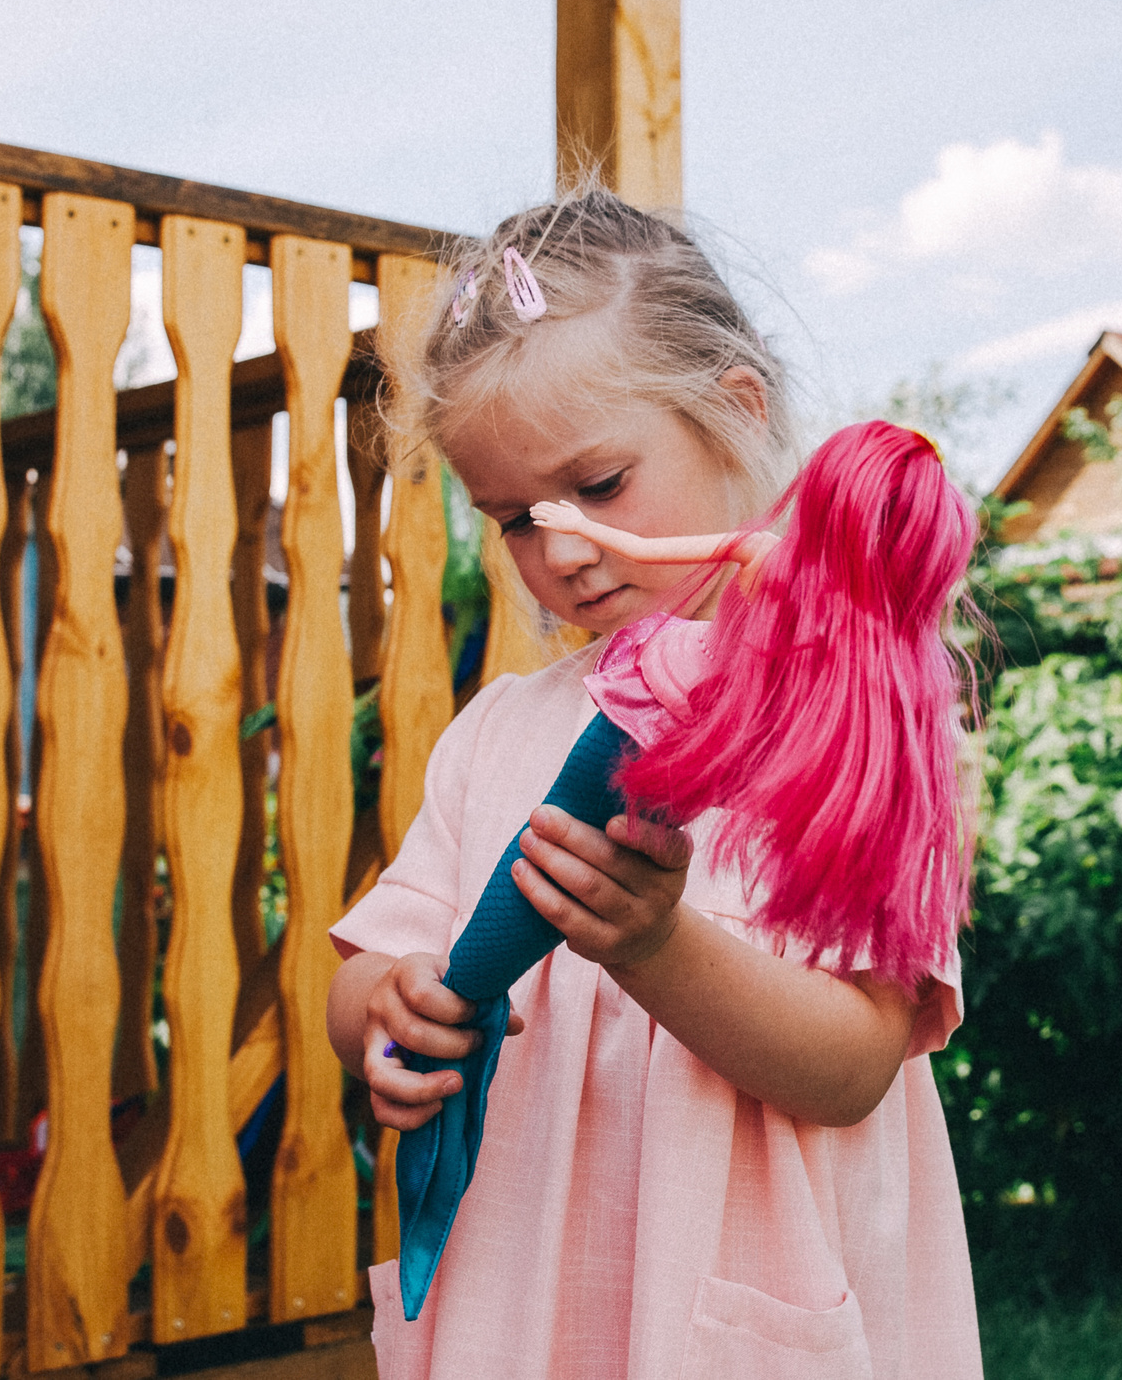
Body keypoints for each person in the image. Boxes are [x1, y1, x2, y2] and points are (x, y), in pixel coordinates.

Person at [325, 190, 982, 1378]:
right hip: (527, 1311)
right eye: (515, 519)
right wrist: (387, 1009)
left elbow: (853, 1067)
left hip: (740, 1314)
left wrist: (657, 946)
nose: (562, 550)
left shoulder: (853, 712)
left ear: (735, 411)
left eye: (600, 484)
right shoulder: (497, 732)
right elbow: (374, 963)